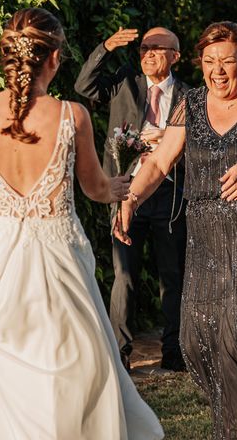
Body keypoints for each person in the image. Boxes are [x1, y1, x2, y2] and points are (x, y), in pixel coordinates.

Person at [0, 8, 164, 439]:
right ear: (54, 58)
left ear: (6, 55)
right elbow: (93, 188)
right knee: (69, 366)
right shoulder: (71, 116)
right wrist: (120, 187)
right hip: (57, 257)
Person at [116, 21, 237, 439]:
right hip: (205, 233)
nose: (218, 70)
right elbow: (160, 161)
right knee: (197, 332)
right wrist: (131, 198)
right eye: (209, 61)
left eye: (227, 61)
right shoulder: (191, 102)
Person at [75, 26, 189, 371]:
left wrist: (170, 145)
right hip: (124, 190)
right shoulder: (125, 81)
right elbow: (83, 87)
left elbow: (199, 143)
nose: (148, 53)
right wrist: (106, 46)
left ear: (175, 56)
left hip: (169, 194)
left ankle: (174, 354)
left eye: (157, 48)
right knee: (124, 275)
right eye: (144, 48)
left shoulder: (188, 95)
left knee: (172, 275)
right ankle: (120, 356)